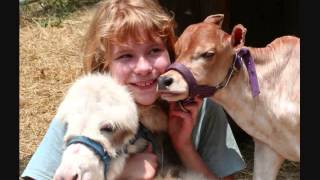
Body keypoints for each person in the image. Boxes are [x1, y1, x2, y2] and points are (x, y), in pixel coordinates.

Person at [21, 0, 246, 179]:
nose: (144, 68)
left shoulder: (201, 108)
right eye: (125, 56)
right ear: (105, 64)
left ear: (171, 51)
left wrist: (184, 146)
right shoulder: (81, 112)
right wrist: (121, 173)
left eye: (154, 51)